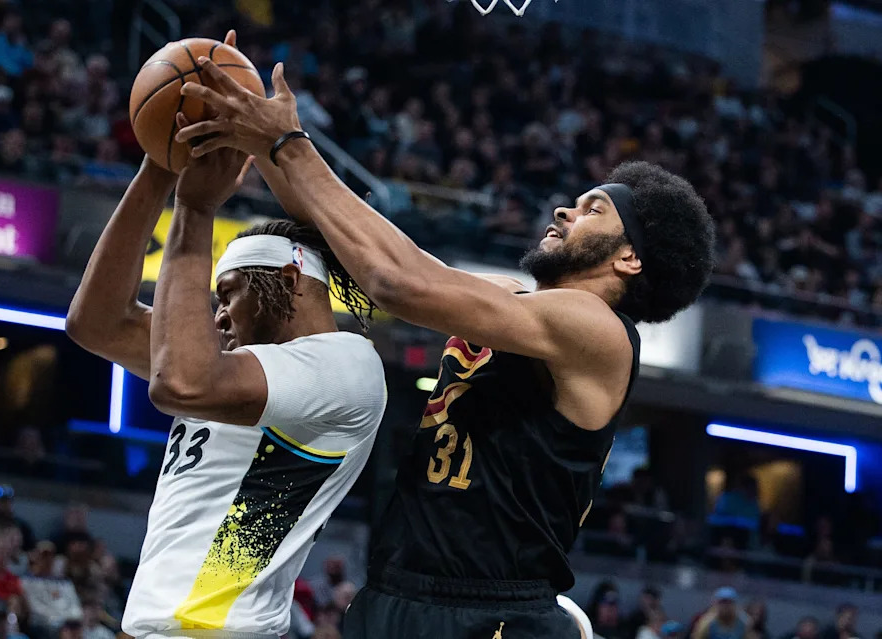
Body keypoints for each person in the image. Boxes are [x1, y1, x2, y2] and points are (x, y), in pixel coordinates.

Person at [175, 59, 715, 639]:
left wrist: (286, 141)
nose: (565, 210)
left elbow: (397, 282)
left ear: (628, 259)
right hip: (398, 591)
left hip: (489, 610)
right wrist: (256, 136)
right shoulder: (513, 303)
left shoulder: (598, 332)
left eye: (593, 210)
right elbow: (356, 242)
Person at [65, 30, 386, 639]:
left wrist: (193, 214)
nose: (214, 317)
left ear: (292, 281)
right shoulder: (238, 363)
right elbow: (96, 323)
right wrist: (160, 166)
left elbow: (181, 381)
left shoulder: (346, 367)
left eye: (228, 293)